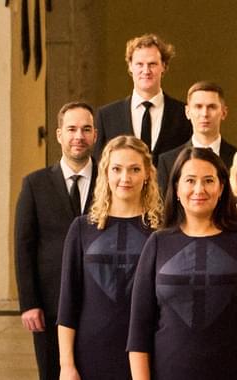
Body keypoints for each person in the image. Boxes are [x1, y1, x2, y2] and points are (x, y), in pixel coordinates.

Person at [127, 147, 237, 380]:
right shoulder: (158, 243)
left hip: (235, 370)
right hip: (168, 371)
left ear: (221, 188)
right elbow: (139, 326)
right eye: (190, 180)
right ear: (177, 189)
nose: (200, 189)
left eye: (208, 180)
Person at [57, 136, 162, 380]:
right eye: (117, 169)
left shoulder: (162, 230)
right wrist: (66, 364)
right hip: (92, 350)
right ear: (105, 172)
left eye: (134, 169)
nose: (125, 178)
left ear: (147, 173)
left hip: (149, 350)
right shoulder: (82, 228)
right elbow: (68, 302)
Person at [15, 101, 99, 380]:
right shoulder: (34, 184)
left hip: (100, 299)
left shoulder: (110, 180)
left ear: (95, 135)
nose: (79, 136)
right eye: (72, 129)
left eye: (86, 129)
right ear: (59, 134)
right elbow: (24, 247)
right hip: (50, 302)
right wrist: (29, 302)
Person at [94, 34, 191, 163]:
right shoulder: (107, 116)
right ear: (130, 66)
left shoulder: (183, 114)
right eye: (140, 64)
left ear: (164, 66)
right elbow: (99, 166)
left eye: (152, 64)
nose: (146, 71)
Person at [156, 81, 237, 189]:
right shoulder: (168, 162)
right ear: (187, 112)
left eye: (212, 107)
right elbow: (165, 205)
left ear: (224, 112)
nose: (204, 114)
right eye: (198, 107)